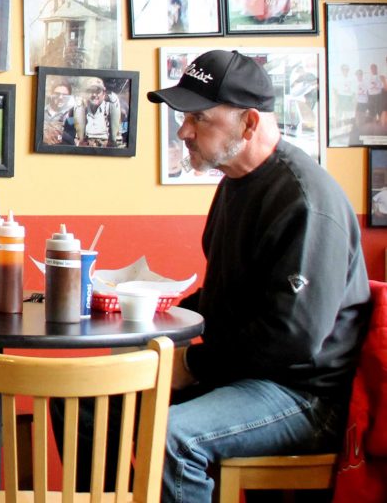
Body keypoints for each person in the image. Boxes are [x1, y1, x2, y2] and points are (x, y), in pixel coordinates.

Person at [137, 50, 370, 502]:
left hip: (303, 395)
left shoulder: (305, 201)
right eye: (184, 118)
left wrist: (192, 365)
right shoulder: (235, 182)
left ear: (247, 124)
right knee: (96, 403)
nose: (183, 131)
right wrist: (153, 314)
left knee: (175, 436)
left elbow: (291, 339)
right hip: (245, 377)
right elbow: (227, 296)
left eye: (198, 118)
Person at [74, 80, 123, 148]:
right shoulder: (81, 108)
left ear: (104, 93)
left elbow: (118, 138)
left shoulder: (111, 107)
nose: (94, 95)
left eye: (98, 91)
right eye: (91, 91)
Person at [42, 80, 75, 146]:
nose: (60, 97)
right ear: (51, 94)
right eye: (57, 94)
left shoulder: (71, 116)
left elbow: (71, 137)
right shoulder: (42, 111)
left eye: (65, 95)